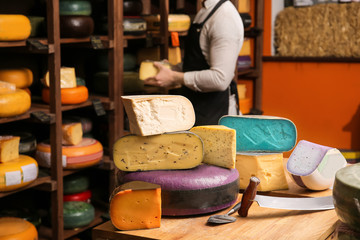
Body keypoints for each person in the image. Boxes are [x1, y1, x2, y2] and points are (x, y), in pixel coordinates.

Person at [144, 0, 244, 125]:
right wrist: (174, 69)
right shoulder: (205, 10)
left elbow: (220, 79)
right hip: (194, 107)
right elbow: (201, 61)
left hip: (214, 113)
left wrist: (174, 77)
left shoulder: (224, 18)